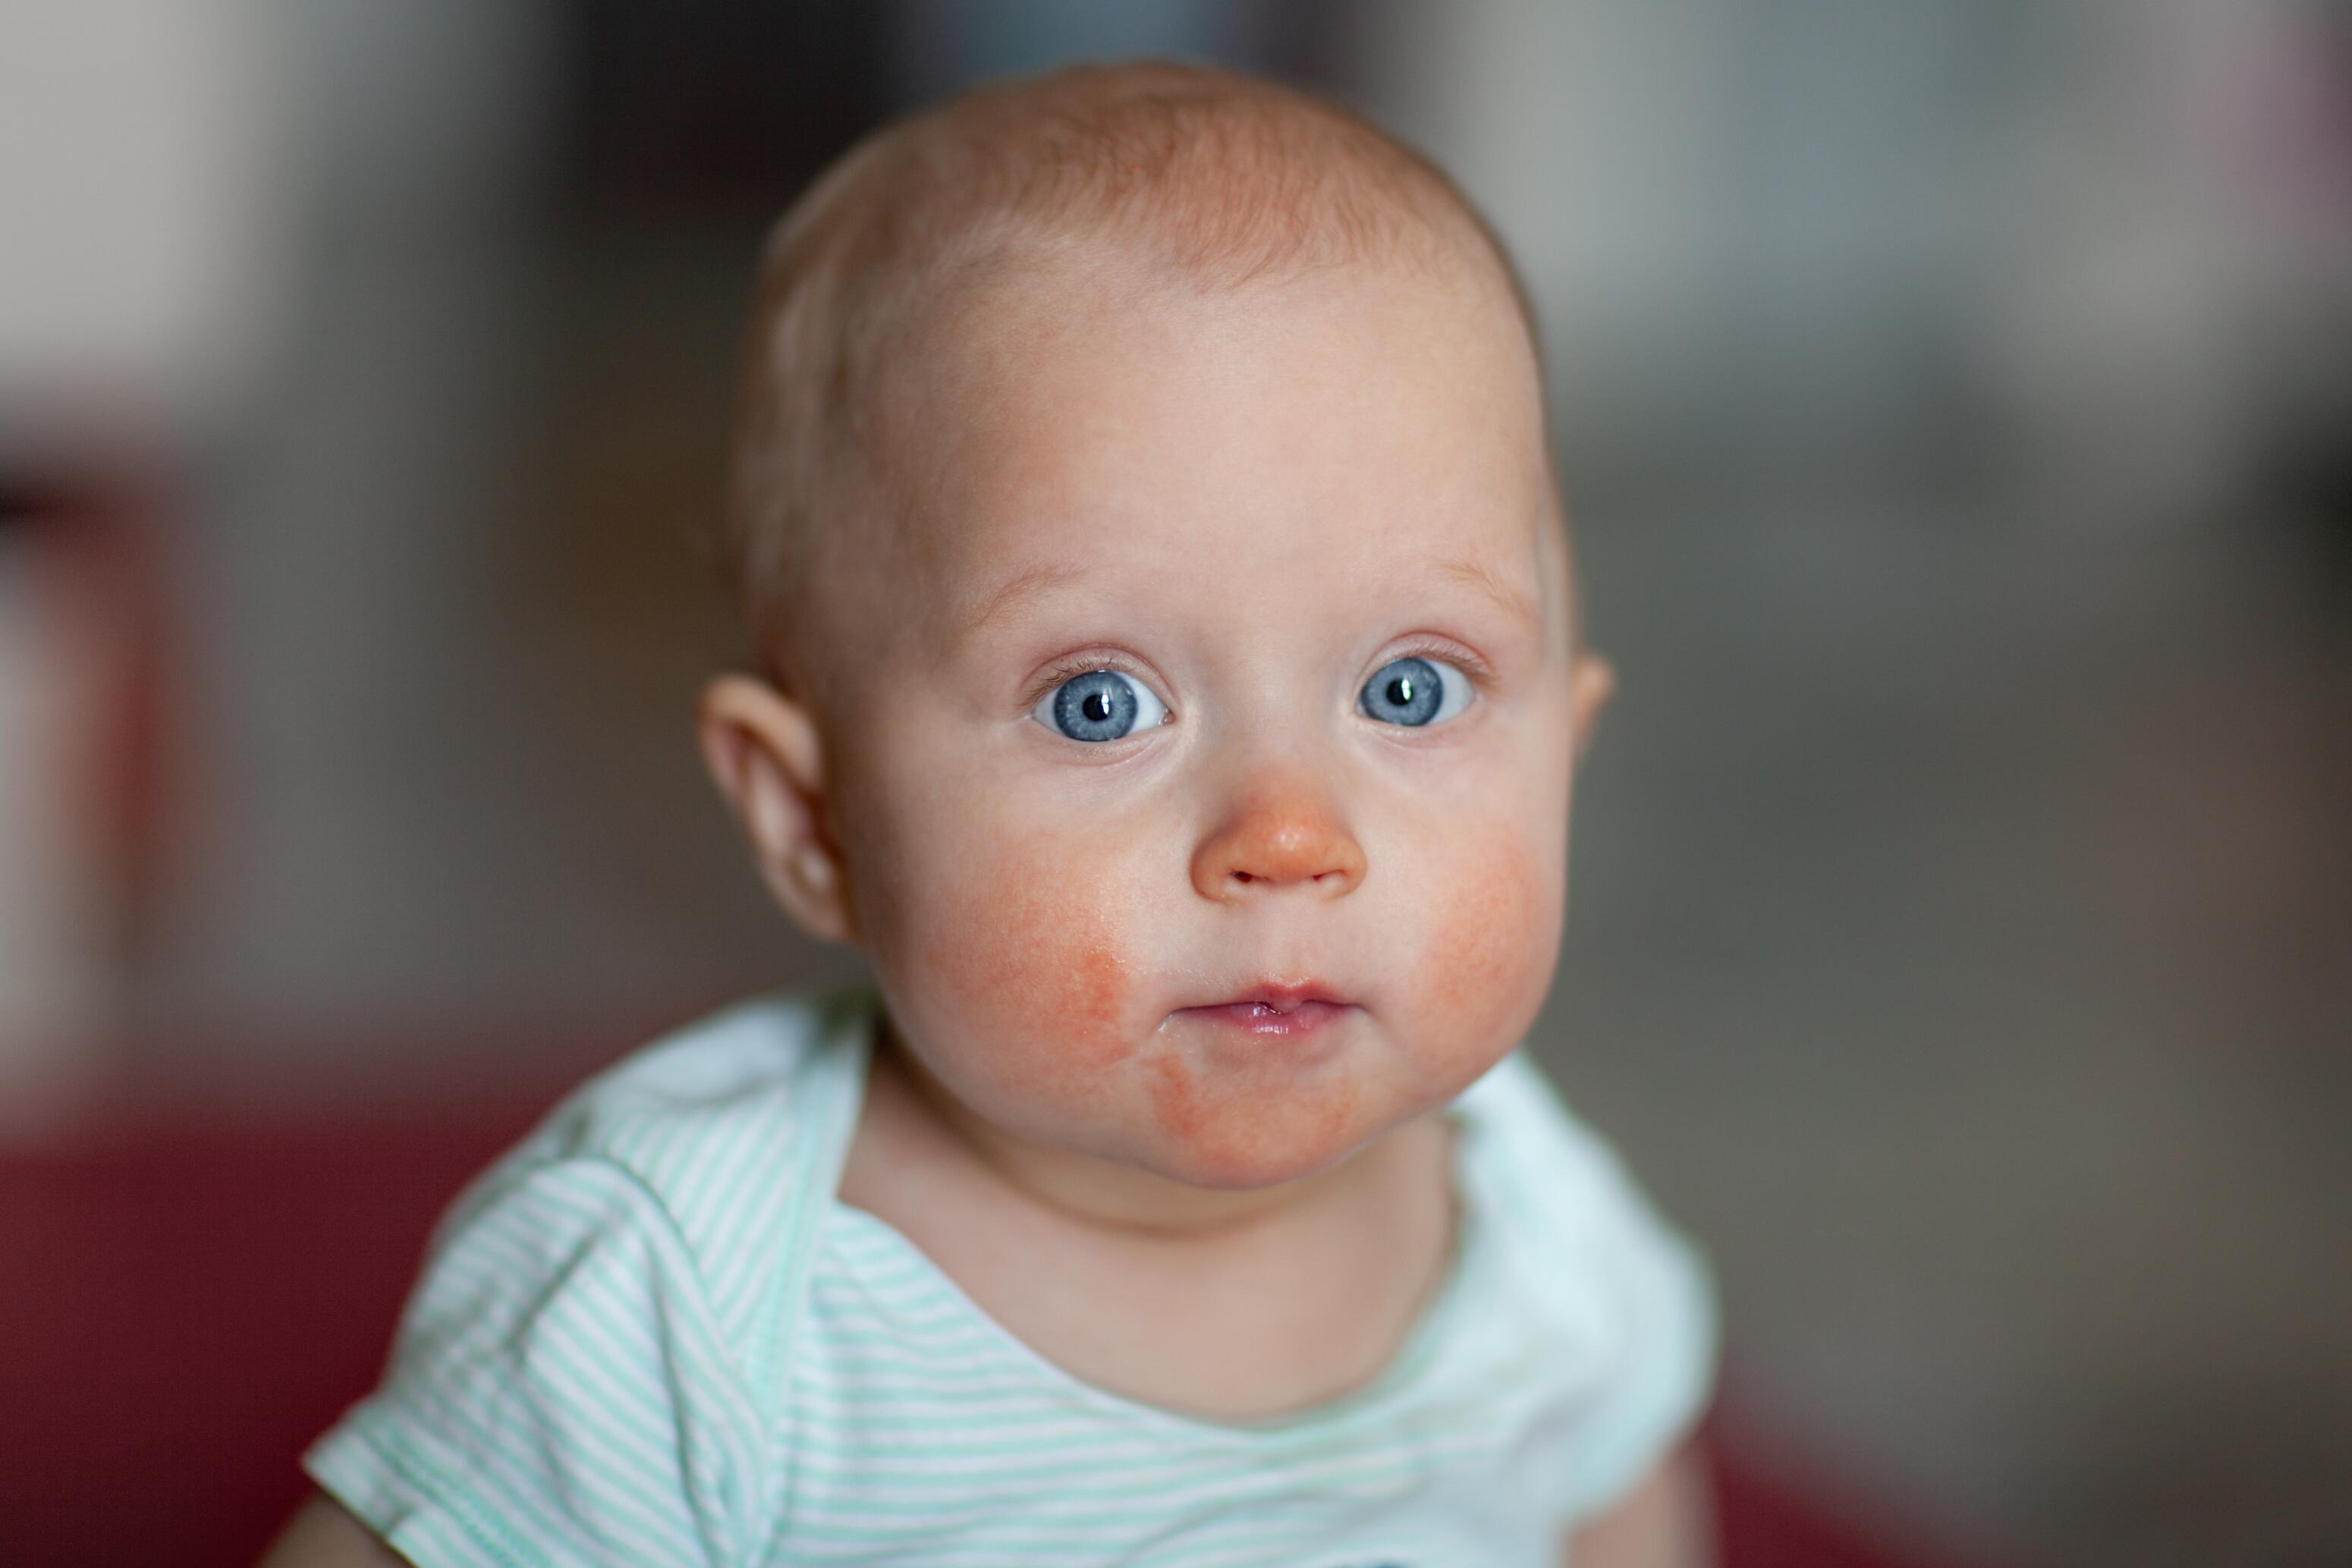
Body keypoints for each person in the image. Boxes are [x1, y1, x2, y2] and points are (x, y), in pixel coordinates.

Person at [262, 58, 1718, 1568]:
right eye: (1100, 702)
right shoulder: (684, 1296)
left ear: (1567, 746)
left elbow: (1617, 1512)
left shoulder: (1529, 1214)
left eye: (1409, 690)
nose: (1287, 833)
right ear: (810, 815)